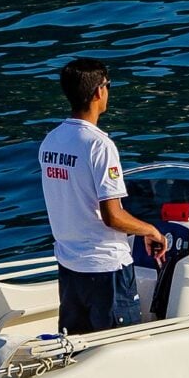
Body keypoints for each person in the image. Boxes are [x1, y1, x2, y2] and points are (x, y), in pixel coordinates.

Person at [39, 58, 167, 335]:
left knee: (78, 348)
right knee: (121, 348)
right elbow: (112, 216)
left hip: (70, 267)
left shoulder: (51, 141)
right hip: (106, 268)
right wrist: (151, 231)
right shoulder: (99, 145)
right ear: (99, 92)